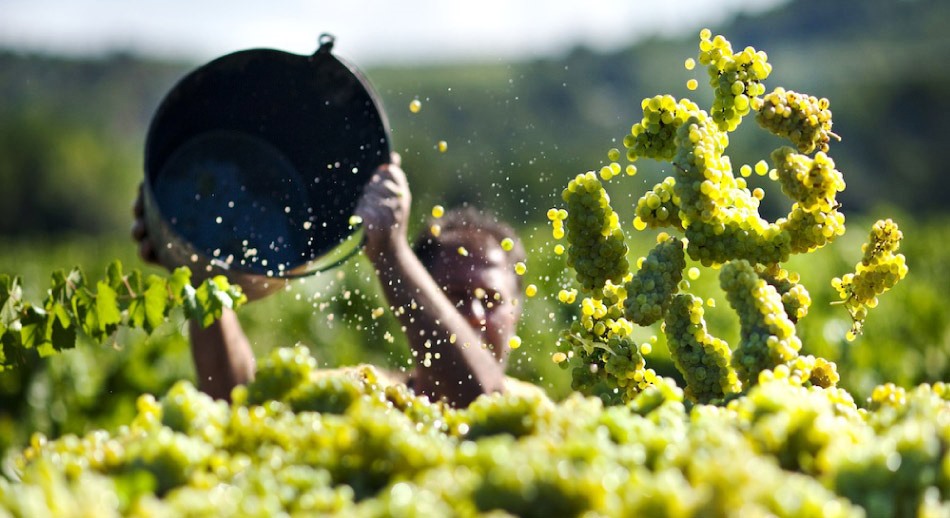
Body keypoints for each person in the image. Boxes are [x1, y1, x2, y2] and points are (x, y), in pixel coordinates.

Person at [132, 153, 526, 407]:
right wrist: (202, 273)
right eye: (453, 296)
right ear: (418, 302)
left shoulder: (537, 413)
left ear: (517, 313)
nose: (474, 315)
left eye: (490, 300)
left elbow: (483, 405)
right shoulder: (366, 397)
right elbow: (237, 405)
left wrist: (392, 252)